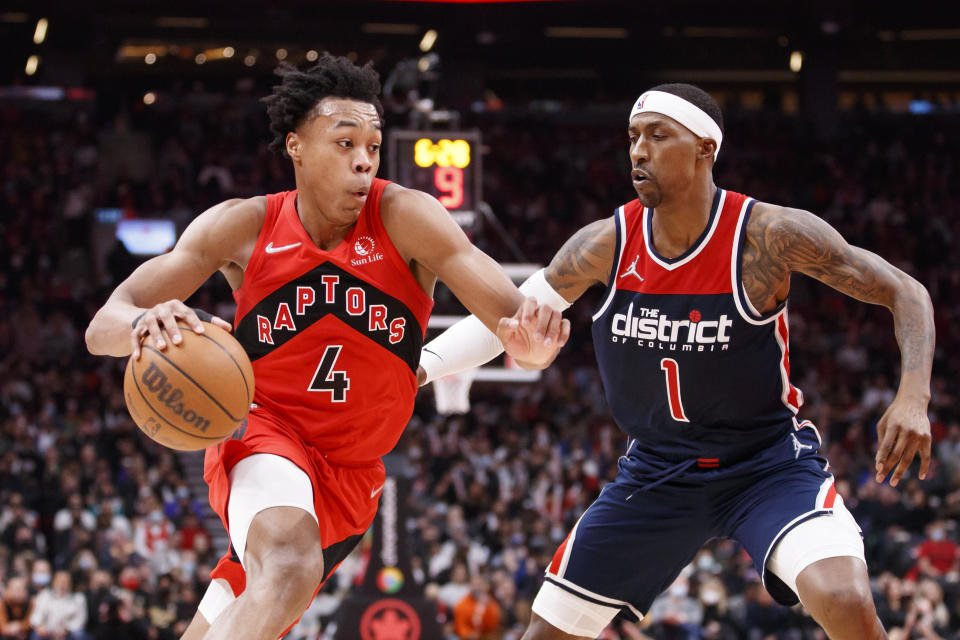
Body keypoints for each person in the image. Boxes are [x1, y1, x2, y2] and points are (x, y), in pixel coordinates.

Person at [418, 83, 935, 639]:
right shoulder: (606, 244)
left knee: (845, 598)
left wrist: (913, 396)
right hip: (657, 471)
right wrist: (416, 369)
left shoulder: (767, 235)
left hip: (765, 464)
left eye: (658, 135)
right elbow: (509, 317)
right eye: (633, 137)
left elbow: (906, 292)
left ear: (705, 149)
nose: (639, 150)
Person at [85, 54, 569, 640]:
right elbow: (102, 325)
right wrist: (143, 323)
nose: (364, 159)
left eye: (373, 144)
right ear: (296, 146)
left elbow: (512, 320)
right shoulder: (244, 225)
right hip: (267, 435)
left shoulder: (408, 217)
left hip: (352, 475)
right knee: (288, 567)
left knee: (229, 617)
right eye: (345, 143)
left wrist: (534, 349)